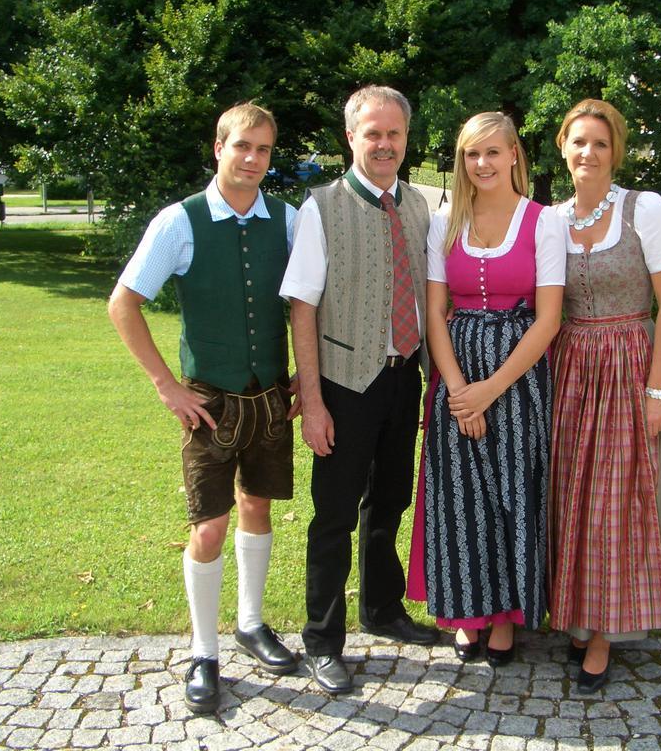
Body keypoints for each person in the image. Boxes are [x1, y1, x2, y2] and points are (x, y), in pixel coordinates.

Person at [107, 102, 299, 713]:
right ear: (218, 148)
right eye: (242, 146)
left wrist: (305, 377)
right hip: (208, 403)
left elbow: (311, 300)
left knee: (258, 507)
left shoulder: (288, 220)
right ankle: (204, 650)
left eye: (264, 149)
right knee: (210, 524)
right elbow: (123, 303)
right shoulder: (180, 222)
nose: (252, 159)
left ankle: (250, 623)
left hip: (270, 396)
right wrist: (167, 385)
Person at [280, 85, 438, 696]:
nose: (384, 144)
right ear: (351, 137)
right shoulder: (319, 208)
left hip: (404, 379)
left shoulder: (423, 206)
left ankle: (383, 607)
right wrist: (313, 402)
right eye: (372, 133)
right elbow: (302, 307)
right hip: (345, 384)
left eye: (394, 134)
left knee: (391, 500)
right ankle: (322, 640)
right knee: (335, 515)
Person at [410, 111, 565, 666]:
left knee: (512, 496)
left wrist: (489, 390)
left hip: (518, 379)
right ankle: (466, 614)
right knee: (459, 500)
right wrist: (457, 391)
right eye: (472, 155)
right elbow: (435, 309)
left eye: (493, 153)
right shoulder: (445, 220)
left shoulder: (543, 222)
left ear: (515, 155)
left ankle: (505, 617)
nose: (482, 164)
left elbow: (548, 320)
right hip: (454, 373)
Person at [548, 99, 661, 694]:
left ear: (616, 151)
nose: (588, 153)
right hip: (570, 369)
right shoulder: (551, 219)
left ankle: (603, 632)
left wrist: (656, 389)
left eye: (600, 143)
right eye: (579, 141)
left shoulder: (643, 209)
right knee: (571, 495)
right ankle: (578, 616)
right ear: (562, 147)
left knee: (614, 500)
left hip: (630, 366)